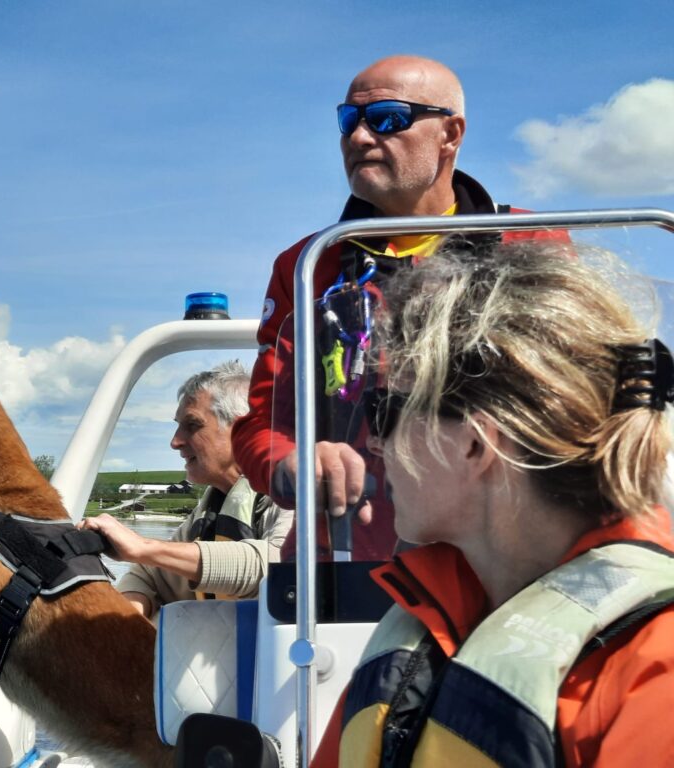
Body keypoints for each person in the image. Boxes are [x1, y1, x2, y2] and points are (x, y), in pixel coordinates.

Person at [314, 241, 674, 766]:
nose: (373, 442)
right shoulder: (431, 619)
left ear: (477, 442)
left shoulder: (654, 671)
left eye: (385, 410)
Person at [230, 55, 568, 560]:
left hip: (502, 563)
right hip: (344, 572)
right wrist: (294, 462)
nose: (360, 137)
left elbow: (577, 403)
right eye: (350, 120)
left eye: (388, 118)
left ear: (450, 134)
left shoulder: (529, 243)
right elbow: (262, 422)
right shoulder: (306, 267)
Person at [79, 361, 294, 620]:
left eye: (192, 425)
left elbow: (280, 564)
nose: (175, 441)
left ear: (242, 430)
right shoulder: (211, 507)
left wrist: (144, 547)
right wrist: (128, 619)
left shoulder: (291, 492)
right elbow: (148, 575)